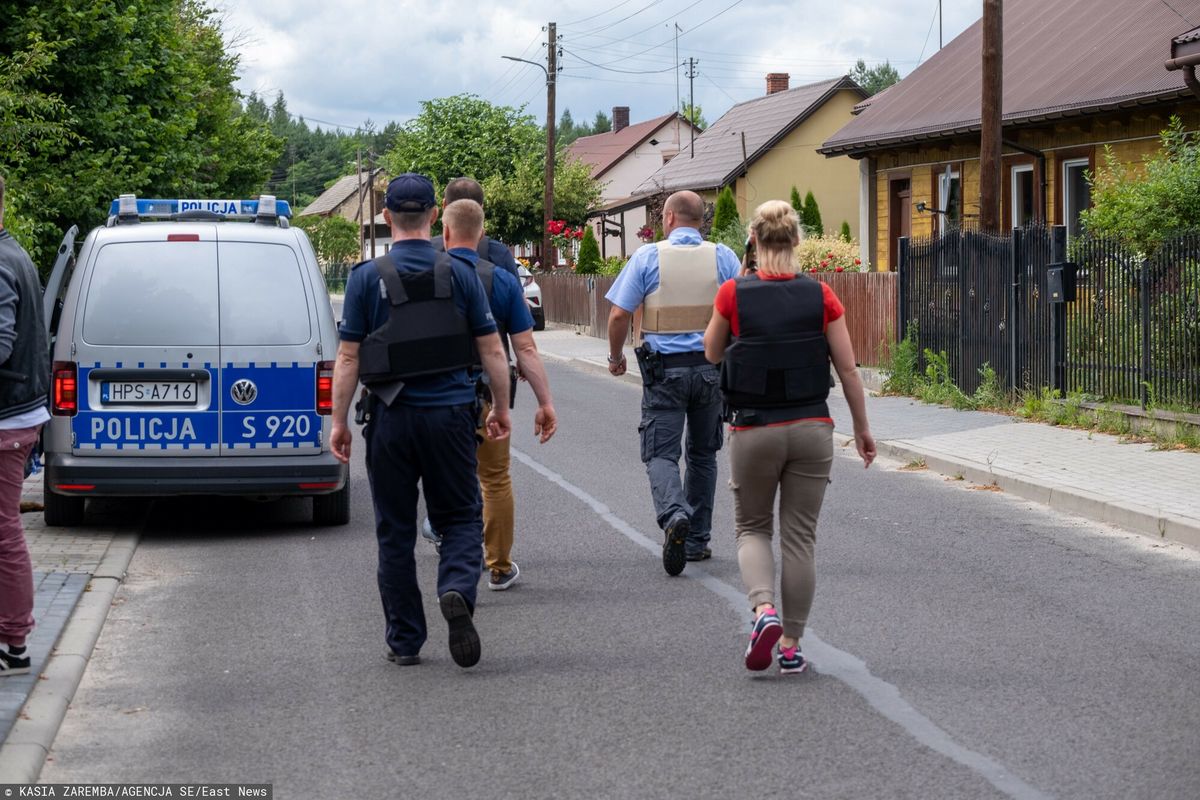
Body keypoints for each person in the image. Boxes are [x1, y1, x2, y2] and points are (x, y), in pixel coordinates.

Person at [331, 173, 512, 669]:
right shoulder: (461, 275)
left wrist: (339, 422)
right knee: (458, 518)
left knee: (394, 532)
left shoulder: (366, 278)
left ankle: (406, 640)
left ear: (387, 219)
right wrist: (500, 407)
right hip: (451, 417)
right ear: (434, 216)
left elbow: (348, 360)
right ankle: (455, 588)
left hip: (390, 418)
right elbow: (492, 347)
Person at [703, 200, 876, 675]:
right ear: (798, 241)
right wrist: (862, 429)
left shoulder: (733, 293)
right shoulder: (821, 295)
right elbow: (848, 371)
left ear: (753, 241)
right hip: (812, 428)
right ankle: (793, 645)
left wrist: (740, 282)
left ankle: (764, 612)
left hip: (755, 427)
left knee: (753, 528)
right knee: (800, 539)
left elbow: (712, 353)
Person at [605, 191, 740, 575]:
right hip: (712, 371)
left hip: (664, 372)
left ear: (667, 219)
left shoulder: (649, 257)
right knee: (702, 454)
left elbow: (618, 316)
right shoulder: (723, 256)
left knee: (661, 454)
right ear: (702, 221)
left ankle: (674, 513)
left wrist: (616, 357)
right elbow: (741, 310)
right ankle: (696, 540)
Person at [441, 198, 557, 590]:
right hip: (487, 396)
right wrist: (545, 402)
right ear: (482, 232)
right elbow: (525, 348)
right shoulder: (503, 280)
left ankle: (454, 555)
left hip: (436, 396)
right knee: (494, 479)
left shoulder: (427, 275)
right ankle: (499, 565)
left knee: (447, 477)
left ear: (445, 231)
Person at [0, 174, 51, 677]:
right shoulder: (15, 251)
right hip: (18, 413)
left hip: (5, 418)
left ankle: (13, 641)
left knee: (4, 530)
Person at [432, 177, 521, 280]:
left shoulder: (428, 253)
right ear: (481, 208)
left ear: (444, 205)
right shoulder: (500, 254)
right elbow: (518, 294)